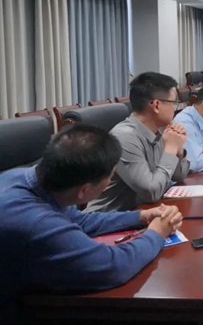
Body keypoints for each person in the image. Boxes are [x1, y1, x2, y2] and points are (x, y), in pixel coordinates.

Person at [0, 124, 183, 323]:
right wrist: (157, 232)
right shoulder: (37, 225)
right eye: (110, 177)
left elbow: (80, 220)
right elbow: (114, 267)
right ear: (84, 190)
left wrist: (140, 217)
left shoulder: (21, 176)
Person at [86, 72, 190, 213]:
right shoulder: (124, 137)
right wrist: (170, 149)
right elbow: (151, 192)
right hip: (109, 219)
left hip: (142, 212)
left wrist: (179, 149)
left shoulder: (159, 130)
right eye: (173, 103)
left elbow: (179, 176)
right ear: (156, 105)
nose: (175, 108)